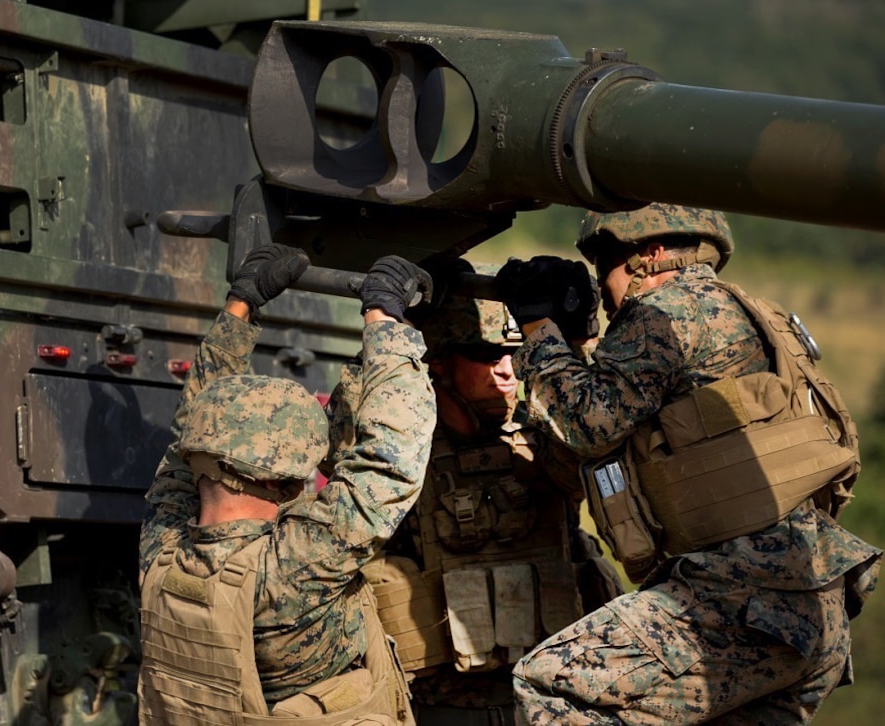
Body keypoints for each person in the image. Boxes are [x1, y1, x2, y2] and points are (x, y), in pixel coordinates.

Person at [496, 203, 881, 724]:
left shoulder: (662, 313)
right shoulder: (741, 309)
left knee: (552, 684)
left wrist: (539, 328)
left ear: (647, 256)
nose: (603, 290)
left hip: (739, 601)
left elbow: (587, 424)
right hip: (809, 609)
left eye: (604, 264)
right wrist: (581, 344)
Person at [137, 245, 436, 724]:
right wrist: (386, 322)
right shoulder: (291, 567)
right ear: (286, 486)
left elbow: (185, 439)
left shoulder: (163, 552)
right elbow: (389, 464)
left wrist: (242, 305)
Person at [322, 260, 623, 725]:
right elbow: (345, 443)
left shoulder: (543, 428)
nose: (507, 371)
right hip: (438, 701)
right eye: (486, 355)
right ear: (438, 361)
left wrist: (580, 337)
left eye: (512, 353)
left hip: (549, 694)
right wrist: (387, 327)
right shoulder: (401, 443)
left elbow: (599, 451)